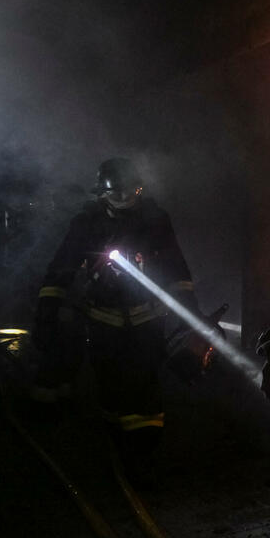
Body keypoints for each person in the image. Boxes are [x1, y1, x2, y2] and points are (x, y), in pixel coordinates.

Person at [32, 158, 201, 481]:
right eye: (118, 194)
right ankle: (118, 449)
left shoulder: (156, 220)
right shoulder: (86, 224)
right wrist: (46, 314)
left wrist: (189, 313)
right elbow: (60, 270)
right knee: (110, 387)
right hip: (103, 320)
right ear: (102, 194)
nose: (126, 199)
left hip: (148, 320)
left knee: (146, 389)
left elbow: (177, 270)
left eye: (132, 192)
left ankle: (143, 457)